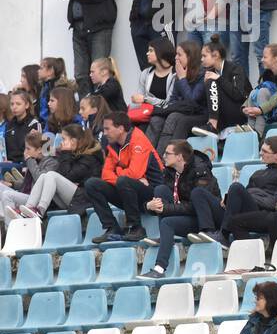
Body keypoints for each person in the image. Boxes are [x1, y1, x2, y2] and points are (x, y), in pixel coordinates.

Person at [136, 140, 222, 280]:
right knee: (160, 189)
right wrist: (149, 206)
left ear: (179, 157)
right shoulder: (170, 172)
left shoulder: (200, 170)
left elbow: (197, 206)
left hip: (206, 218)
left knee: (168, 222)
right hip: (188, 215)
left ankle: (159, 268)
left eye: (167, 153)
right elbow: (163, 204)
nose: (163, 156)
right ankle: (165, 237)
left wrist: (166, 208)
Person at [85, 111, 165, 244]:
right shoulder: (113, 145)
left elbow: (135, 173)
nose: (104, 133)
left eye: (107, 129)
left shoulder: (139, 140)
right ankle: (112, 228)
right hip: (129, 192)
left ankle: (136, 228)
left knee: (124, 181)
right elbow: (105, 175)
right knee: (92, 184)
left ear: (121, 128)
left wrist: (118, 172)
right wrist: (120, 172)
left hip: (153, 194)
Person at [211, 135, 277, 244]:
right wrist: (229, 198)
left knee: (236, 187)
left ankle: (223, 234)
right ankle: (208, 230)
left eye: (265, 151)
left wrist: (252, 194)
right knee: (200, 193)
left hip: (265, 213)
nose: (261, 153)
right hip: (248, 210)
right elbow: (245, 195)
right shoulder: (258, 173)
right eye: (261, 150)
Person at [13, 122, 102, 220]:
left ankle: (40, 210)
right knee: (44, 176)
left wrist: (66, 153)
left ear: (73, 141)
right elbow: (63, 173)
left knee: (51, 175)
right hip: (73, 196)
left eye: (64, 139)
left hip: (84, 198)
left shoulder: (88, 157)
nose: (61, 142)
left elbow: (66, 175)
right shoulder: (73, 153)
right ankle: (29, 208)